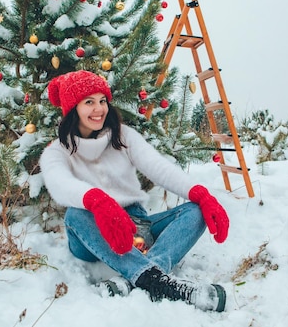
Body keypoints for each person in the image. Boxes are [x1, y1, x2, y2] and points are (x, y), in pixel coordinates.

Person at [39, 70, 230, 312]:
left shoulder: (123, 136)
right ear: (72, 108)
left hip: (135, 226)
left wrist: (200, 194)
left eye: (102, 101)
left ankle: (145, 277)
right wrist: (97, 202)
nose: (98, 109)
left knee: (196, 210)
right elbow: (59, 183)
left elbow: (159, 167)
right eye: (89, 102)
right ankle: (158, 281)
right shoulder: (57, 151)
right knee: (75, 215)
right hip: (91, 233)